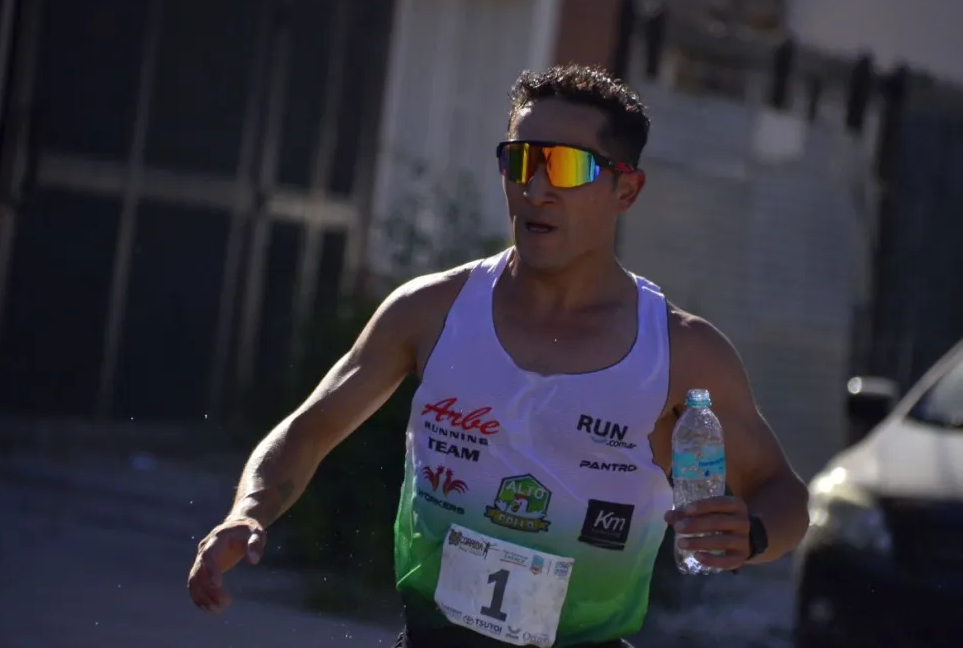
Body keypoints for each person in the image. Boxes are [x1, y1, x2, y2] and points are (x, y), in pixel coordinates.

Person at [187, 64, 810, 648]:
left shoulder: (682, 353)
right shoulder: (429, 311)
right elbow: (309, 429)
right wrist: (248, 512)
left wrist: (751, 535)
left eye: (566, 168)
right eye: (521, 161)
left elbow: (782, 494)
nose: (536, 188)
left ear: (626, 188)